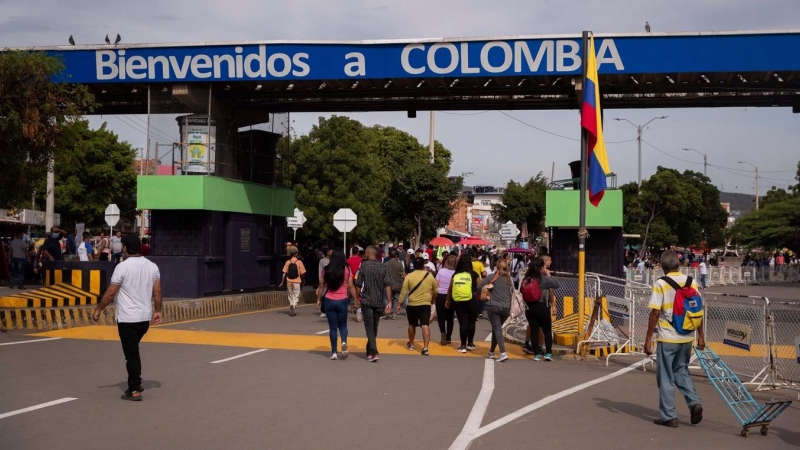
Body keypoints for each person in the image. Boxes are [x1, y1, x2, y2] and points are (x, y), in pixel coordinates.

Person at [92, 234, 162, 401]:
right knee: (133, 351)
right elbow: (157, 292)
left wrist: (98, 309)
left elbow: (110, 293)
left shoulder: (122, 267)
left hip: (128, 318)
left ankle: (134, 389)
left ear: (124, 248)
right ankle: (136, 381)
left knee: (131, 354)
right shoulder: (152, 266)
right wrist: (158, 310)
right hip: (144, 318)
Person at [645, 250, 704, 428]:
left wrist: (648, 339)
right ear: (679, 265)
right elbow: (698, 309)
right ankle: (694, 402)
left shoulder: (661, 283)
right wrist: (701, 336)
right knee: (681, 371)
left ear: (662, 267)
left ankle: (669, 416)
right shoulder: (691, 282)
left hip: (668, 337)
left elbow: (655, 312)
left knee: (666, 377)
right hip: (687, 337)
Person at [316, 249, 356, 360]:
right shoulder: (347, 269)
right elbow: (351, 286)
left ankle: (334, 352)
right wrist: (356, 300)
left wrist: (318, 299)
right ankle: (344, 342)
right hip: (342, 299)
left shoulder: (326, 269)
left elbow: (321, 286)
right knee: (343, 325)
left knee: (332, 328)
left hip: (329, 300)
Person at [354, 246, 392, 362]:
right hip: (378, 301)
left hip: (366, 300)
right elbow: (388, 285)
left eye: (365, 252)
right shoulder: (383, 266)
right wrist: (389, 301)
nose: (364, 254)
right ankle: (370, 350)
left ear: (369, 253)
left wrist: (356, 299)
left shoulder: (364, 266)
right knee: (374, 326)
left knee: (370, 327)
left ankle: (373, 351)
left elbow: (359, 284)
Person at [521, 257, 561, 361]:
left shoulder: (526, 279)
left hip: (529, 307)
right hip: (542, 306)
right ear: (541, 267)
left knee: (534, 331)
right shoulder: (543, 279)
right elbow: (557, 285)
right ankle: (548, 353)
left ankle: (537, 354)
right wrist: (548, 275)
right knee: (547, 330)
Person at [397, 256, 438, 355]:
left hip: (412, 304)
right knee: (425, 324)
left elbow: (404, 291)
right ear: (423, 265)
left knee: (411, 324)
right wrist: (432, 299)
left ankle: (411, 344)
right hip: (425, 303)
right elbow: (435, 290)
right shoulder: (429, 276)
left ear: (414, 265)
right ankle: (425, 348)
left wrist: (399, 303)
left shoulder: (409, 276)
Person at [479, 258, 513, 362]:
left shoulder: (491, 277)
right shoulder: (509, 279)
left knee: (497, 329)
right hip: (506, 307)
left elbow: (479, 286)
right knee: (496, 329)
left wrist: (489, 287)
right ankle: (491, 352)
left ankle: (503, 353)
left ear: (496, 266)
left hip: (493, 306)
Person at [446, 254, 479, 353]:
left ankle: (463, 345)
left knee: (463, 323)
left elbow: (450, 289)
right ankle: (471, 343)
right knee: (471, 322)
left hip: (459, 300)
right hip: (472, 300)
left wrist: (448, 300)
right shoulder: (474, 274)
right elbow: (480, 286)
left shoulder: (456, 275)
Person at [434, 255, 456, 346]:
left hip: (441, 295)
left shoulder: (441, 271)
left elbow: (436, 284)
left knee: (441, 317)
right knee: (450, 317)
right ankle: (449, 337)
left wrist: (434, 295)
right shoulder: (456, 272)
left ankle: (443, 332)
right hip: (451, 296)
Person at [279, 248, 306, 317]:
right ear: (296, 254)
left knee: (290, 295)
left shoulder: (287, 262)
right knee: (296, 294)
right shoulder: (299, 262)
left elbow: (284, 273)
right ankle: (293, 304)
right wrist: (304, 280)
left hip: (289, 281)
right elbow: (302, 273)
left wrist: (282, 282)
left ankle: (291, 305)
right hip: (297, 281)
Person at [385, 249, 405, 320]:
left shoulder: (386, 263)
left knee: (388, 297)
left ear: (389, 255)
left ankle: (387, 311)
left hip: (387, 282)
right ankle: (394, 314)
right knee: (396, 298)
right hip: (397, 282)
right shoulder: (399, 264)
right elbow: (403, 273)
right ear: (396, 255)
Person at [317, 248, 332, 318]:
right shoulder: (322, 261)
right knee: (323, 296)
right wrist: (321, 281)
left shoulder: (333, 261)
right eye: (331, 252)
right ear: (328, 252)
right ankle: (323, 311)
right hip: (324, 282)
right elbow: (320, 271)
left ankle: (329, 310)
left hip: (331, 281)